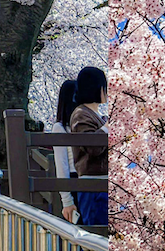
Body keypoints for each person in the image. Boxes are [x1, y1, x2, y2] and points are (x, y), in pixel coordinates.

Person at [69, 66, 107, 226]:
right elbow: (92, 148)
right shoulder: (81, 114)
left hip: (102, 184)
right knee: (97, 234)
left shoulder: (97, 115)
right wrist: (106, 128)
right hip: (93, 184)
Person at [51, 80, 79, 223]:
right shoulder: (60, 128)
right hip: (73, 182)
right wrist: (67, 201)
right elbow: (61, 165)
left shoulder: (86, 125)